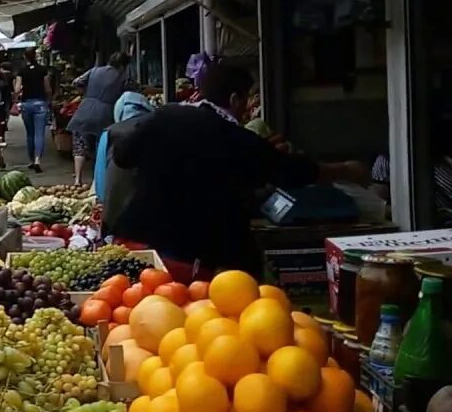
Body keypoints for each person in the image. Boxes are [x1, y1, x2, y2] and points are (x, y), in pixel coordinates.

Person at [110, 63, 370, 279]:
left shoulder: (164, 116)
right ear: (235, 99)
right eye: (246, 99)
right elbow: (293, 172)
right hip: (189, 259)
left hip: (138, 246)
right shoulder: (237, 139)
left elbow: (122, 155)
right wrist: (345, 169)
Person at [65, 53, 133, 185]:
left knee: (80, 145)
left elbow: (76, 82)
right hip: (106, 114)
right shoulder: (123, 77)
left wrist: (87, 93)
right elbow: (133, 92)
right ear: (123, 65)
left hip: (85, 109)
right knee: (100, 147)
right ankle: (97, 181)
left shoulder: (94, 70)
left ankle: (77, 179)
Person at [93, 92, 153, 236]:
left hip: (122, 209)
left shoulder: (110, 133)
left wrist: (103, 204)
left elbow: (101, 178)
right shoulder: (160, 126)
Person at [15, 48, 52, 173]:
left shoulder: (22, 71)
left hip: (26, 104)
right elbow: (47, 88)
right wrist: (49, 99)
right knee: (39, 133)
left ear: (25, 57)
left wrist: (16, 99)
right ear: (35, 56)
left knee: (30, 133)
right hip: (40, 103)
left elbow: (17, 89)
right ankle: (37, 160)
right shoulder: (42, 70)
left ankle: (31, 160)